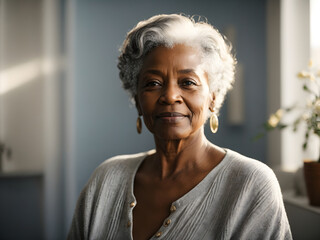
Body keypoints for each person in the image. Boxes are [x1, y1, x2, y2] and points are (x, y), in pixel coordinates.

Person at [68, 14, 292, 240]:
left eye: (188, 83)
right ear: (137, 100)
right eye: (153, 83)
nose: (170, 96)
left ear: (212, 98)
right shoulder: (106, 180)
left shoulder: (251, 184)